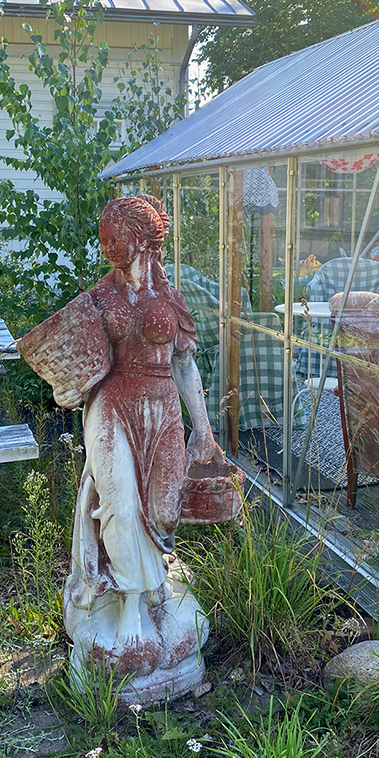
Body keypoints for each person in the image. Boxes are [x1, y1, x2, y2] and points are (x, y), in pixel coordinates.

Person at [64, 195, 218, 660]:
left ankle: (155, 591)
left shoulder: (170, 298)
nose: (109, 246)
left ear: (143, 238)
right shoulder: (100, 297)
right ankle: (130, 608)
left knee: (164, 509)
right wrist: (68, 385)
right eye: (103, 239)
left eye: (117, 237)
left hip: (162, 409)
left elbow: (185, 366)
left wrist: (204, 430)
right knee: (120, 504)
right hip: (112, 407)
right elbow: (77, 364)